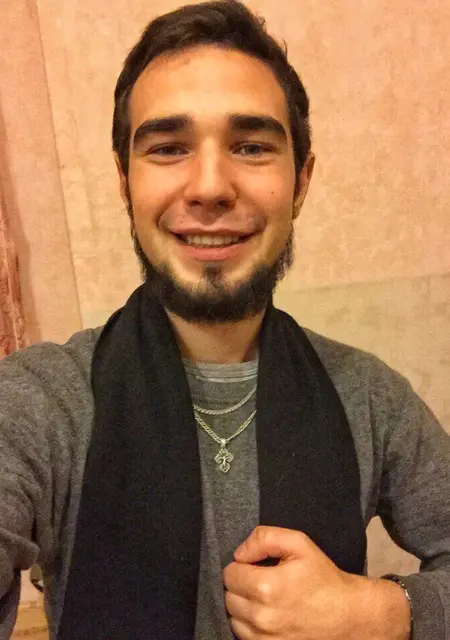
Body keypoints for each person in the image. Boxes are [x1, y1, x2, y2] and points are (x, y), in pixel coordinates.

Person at [0, 1, 449, 638]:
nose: (210, 186)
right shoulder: (41, 404)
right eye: (168, 148)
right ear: (125, 183)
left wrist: (382, 612)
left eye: (251, 146)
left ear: (301, 182)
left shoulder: (372, 398)